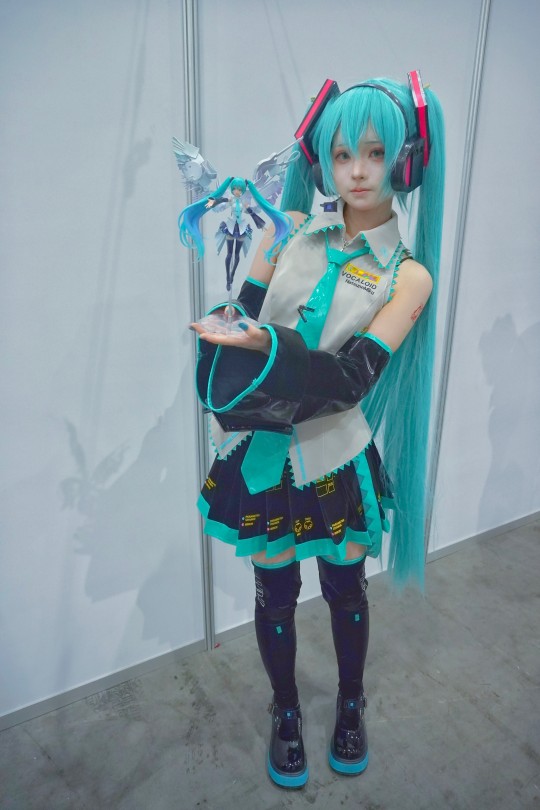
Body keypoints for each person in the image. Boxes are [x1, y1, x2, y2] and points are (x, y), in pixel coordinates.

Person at [188, 73, 445, 789]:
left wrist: (264, 347)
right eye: (341, 154)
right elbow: (243, 313)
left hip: (333, 455)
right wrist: (227, 330)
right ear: (323, 160)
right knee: (273, 592)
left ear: (406, 161)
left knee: (345, 588)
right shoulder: (289, 229)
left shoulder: (408, 277)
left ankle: (351, 703)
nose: (357, 171)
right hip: (260, 449)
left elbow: (352, 379)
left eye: (375, 153)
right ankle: (286, 709)